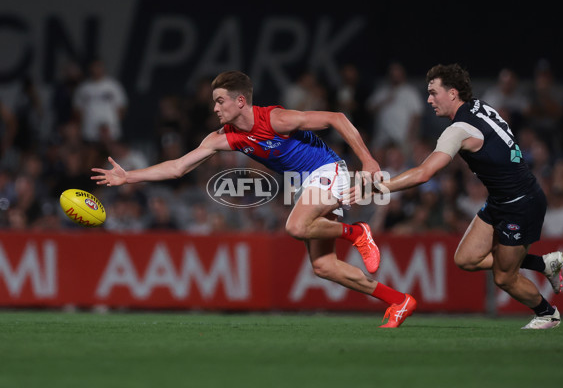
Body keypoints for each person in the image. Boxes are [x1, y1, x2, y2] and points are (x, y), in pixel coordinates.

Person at [91, 70, 416, 328]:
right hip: (303, 183)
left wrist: (369, 161)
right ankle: (398, 300)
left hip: (327, 169)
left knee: (296, 226)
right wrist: (129, 176)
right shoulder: (223, 138)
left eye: (220, 101)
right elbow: (177, 167)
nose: (215, 108)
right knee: (324, 267)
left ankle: (357, 232)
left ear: (241, 102)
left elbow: (337, 119)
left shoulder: (275, 120)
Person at [352, 64, 563, 329]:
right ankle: (543, 263)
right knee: (465, 258)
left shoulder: (459, 129)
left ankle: (547, 314)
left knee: (504, 277)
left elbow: (423, 174)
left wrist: (376, 188)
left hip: (521, 204)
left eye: (433, 93)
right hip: (503, 198)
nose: (429, 100)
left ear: (452, 93)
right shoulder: (479, 106)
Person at [73, 58, 127, 143]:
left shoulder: (113, 86)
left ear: (103, 68)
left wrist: (113, 123)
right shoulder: (83, 88)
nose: (97, 69)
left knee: (109, 155)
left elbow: (121, 108)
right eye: (94, 67)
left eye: (99, 67)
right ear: (90, 68)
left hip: (110, 131)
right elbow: (77, 111)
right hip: (90, 131)